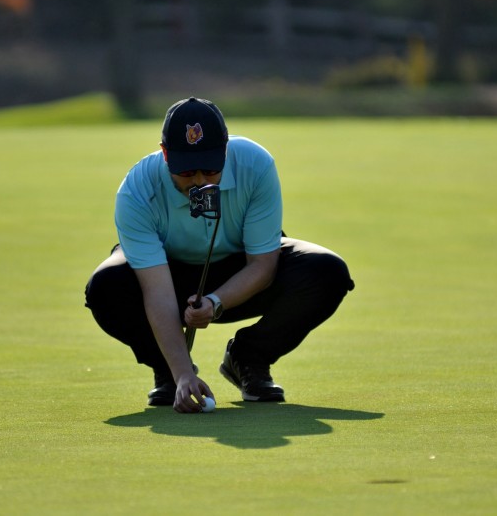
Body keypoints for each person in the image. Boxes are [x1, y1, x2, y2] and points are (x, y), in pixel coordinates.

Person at [84, 97, 354, 414]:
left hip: (240, 270)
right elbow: (156, 290)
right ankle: (169, 372)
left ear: (225, 150)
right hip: (167, 275)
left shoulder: (255, 164)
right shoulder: (137, 191)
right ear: (165, 154)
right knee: (106, 286)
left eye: (211, 169)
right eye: (186, 171)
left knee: (327, 272)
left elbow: (263, 265)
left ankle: (248, 358)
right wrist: (182, 372)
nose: (199, 181)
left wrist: (215, 302)